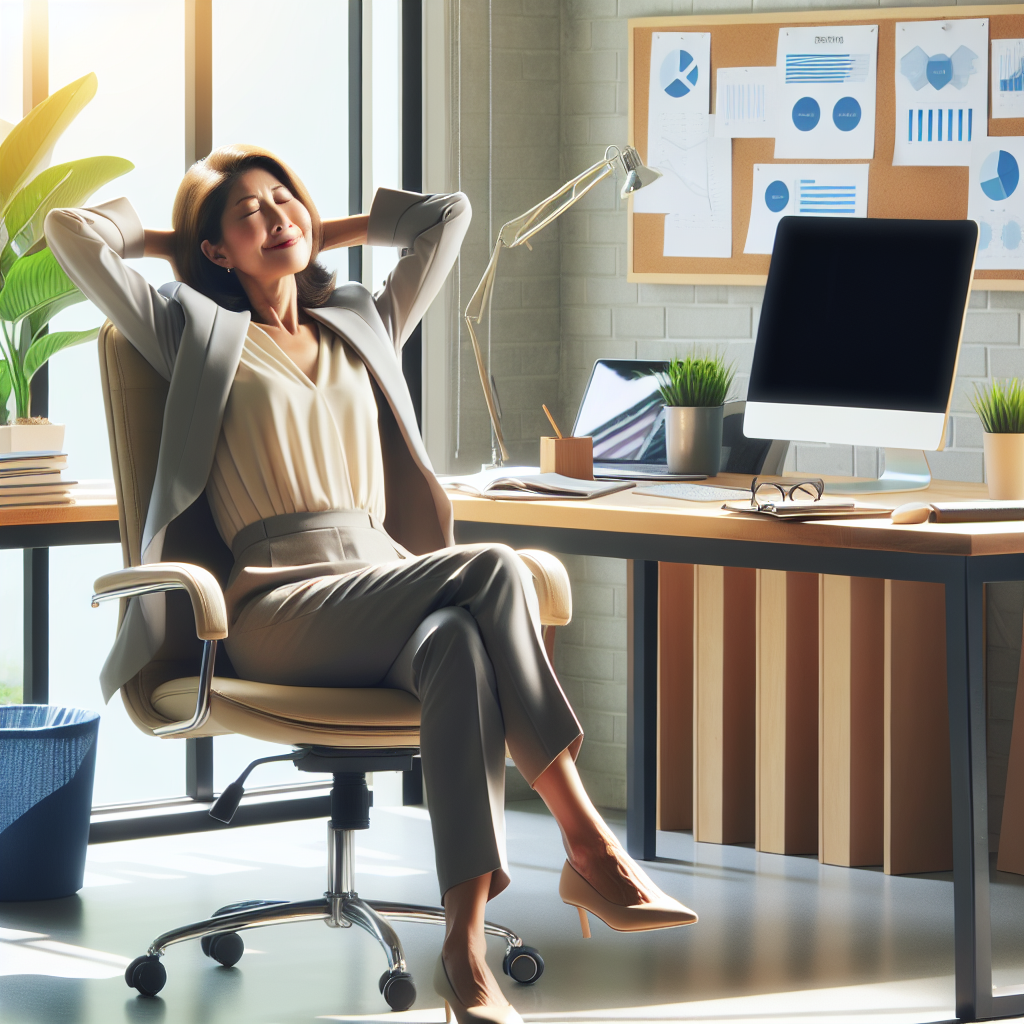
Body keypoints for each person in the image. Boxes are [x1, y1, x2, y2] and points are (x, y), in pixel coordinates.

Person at [45, 144, 697, 1024]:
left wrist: (312, 230)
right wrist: (180, 242)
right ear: (214, 253)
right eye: (251, 214)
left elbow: (447, 217)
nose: (279, 217)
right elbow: (72, 233)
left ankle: (464, 957)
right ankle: (586, 840)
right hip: (274, 603)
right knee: (494, 566)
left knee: (461, 648)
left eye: (287, 201)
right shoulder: (188, 329)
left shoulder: (361, 318)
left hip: (385, 579)